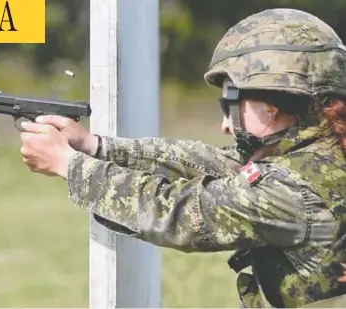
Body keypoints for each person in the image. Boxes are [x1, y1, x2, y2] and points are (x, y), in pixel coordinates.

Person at [19, 8, 346, 308]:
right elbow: (211, 163)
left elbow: (178, 210)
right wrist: (96, 146)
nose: (225, 126)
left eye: (230, 107)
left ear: (272, 104)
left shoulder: (291, 190)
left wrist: (68, 164)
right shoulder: (322, 158)